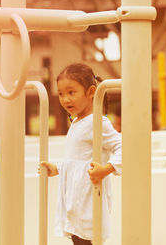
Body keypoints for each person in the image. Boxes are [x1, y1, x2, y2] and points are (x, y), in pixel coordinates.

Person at [38, 63, 122, 245]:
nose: (65, 99)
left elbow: (124, 146)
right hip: (75, 200)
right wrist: (58, 168)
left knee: (87, 240)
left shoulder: (97, 122)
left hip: (88, 198)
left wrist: (106, 169)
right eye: (61, 94)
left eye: (71, 92)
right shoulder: (78, 121)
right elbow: (77, 159)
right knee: (78, 239)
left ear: (91, 92)